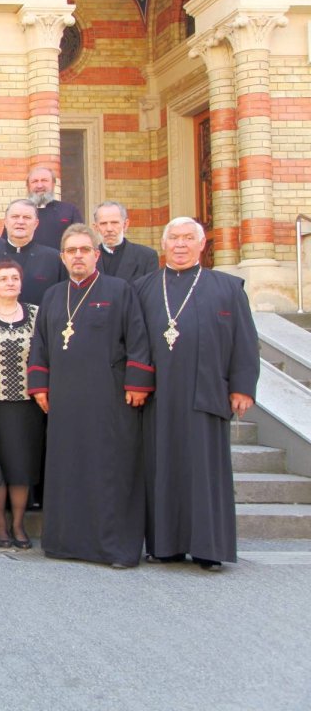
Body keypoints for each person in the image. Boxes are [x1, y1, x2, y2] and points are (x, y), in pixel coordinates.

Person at [135, 217, 260, 571]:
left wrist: (242, 387)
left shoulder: (227, 288)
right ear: (163, 244)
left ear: (202, 244)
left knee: (204, 471)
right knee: (161, 468)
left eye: (188, 238)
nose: (180, 244)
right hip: (158, 396)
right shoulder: (143, 287)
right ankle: (165, 544)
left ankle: (208, 546)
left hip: (205, 393)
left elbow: (245, 342)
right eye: (173, 238)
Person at [27, 223, 154, 568]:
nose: (78, 256)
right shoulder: (54, 295)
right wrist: (39, 385)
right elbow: (40, 344)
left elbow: (138, 340)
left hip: (109, 399)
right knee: (68, 469)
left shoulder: (119, 290)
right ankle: (65, 542)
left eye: (84, 250)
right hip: (64, 400)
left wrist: (138, 384)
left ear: (96, 255)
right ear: (63, 257)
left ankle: (113, 548)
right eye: (71, 251)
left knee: (109, 470)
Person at [0, 259, 44, 549]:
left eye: (15, 278)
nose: (10, 283)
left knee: (21, 466)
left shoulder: (35, 314)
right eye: (4, 279)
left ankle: (19, 525)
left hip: (27, 404)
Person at [0, 199, 67, 306]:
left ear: (36, 223)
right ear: (5, 221)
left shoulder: (54, 259)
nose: (20, 222)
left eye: (27, 217)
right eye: (15, 217)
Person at [14, 166, 83, 251]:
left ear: (53, 184)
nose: (39, 185)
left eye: (44, 180)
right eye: (34, 181)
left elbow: (81, 241)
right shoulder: (18, 213)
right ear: (28, 186)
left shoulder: (69, 210)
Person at [94, 201, 159, 282]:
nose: (109, 229)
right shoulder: (89, 257)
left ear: (125, 225)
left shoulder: (146, 257)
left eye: (114, 223)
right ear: (96, 227)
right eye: (103, 223)